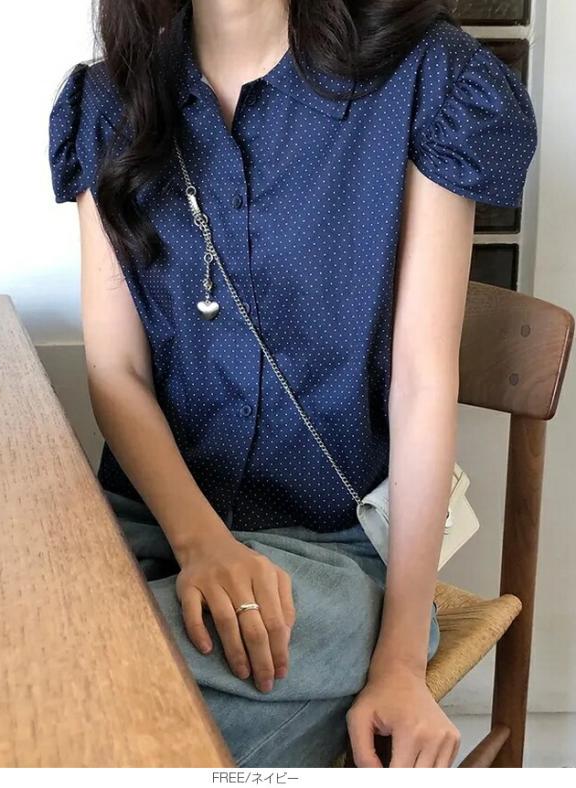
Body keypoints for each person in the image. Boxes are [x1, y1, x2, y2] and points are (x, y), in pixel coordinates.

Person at [48, 0, 537, 768]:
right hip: (149, 530)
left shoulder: (425, 81)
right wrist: (203, 544)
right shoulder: (109, 105)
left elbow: (421, 382)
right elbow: (118, 372)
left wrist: (400, 663)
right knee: (61, 649)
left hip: (332, 561)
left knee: (77, 680)